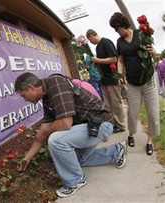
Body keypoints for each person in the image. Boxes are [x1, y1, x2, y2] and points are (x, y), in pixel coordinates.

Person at [14, 72, 127, 197]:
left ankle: (75, 180)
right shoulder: (47, 98)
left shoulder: (55, 83)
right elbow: (42, 133)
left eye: (24, 95)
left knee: (55, 140)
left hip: (100, 125)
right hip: (89, 128)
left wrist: (45, 132)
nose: (25, 100)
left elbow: (65, 123)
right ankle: (116, 151)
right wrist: (27, 158)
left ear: (31, 87)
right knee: (74, 160)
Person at [109, 12, 160, 155]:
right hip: (132, 83)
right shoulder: (119, 42)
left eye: (117, 28)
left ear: (123, 25)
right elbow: (120, 60)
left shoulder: (141, 34)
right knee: (132, 113)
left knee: (153, 113)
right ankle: (131, 134)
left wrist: (154, 52)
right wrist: (120, 76)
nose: (116, 31)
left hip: (148, 80)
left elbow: (152, 53)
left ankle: (149, 140)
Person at [86, 29, 126, 134]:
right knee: (108, 104)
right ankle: (112, 124)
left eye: (90, 40)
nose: (91, 43)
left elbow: (114, 59)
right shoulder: (98, 47)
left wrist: (98, 60)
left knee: (115, 103)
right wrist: (96, 63)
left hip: (112, 78)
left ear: (91, 36)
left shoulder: (106, 42)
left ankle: (120, 125)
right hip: (103, 79)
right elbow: (104, 61)